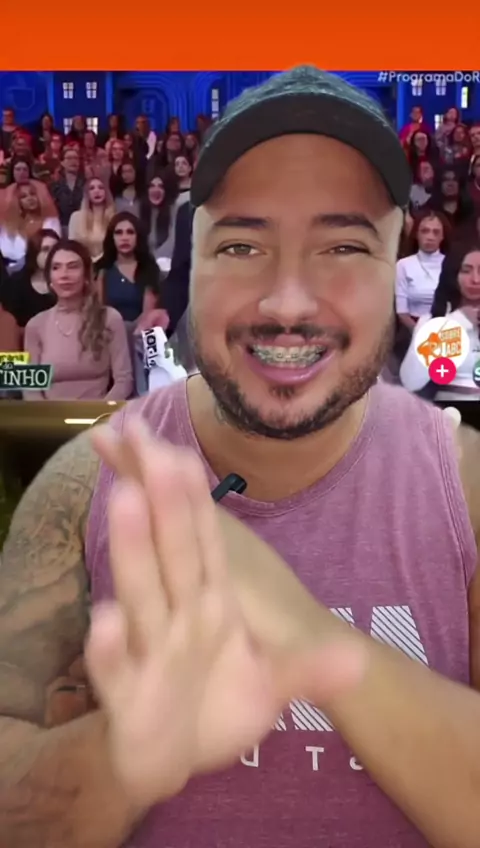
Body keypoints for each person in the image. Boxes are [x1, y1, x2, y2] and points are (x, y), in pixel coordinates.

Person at [2, 66, 480, 848]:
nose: (288, 301)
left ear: (392, 264)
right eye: (243, 245)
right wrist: (126, 755)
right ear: (193, 262)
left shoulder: (464, 481)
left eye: (342, 246)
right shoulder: (82, 483)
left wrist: (314, 645)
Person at [23, 238, 133, 401]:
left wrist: (99, 413)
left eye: (73, 266)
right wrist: (47, 416)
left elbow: (124, 381)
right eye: (56, 268)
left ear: (86, 275)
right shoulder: (35, 325)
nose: (64, 275)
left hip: (99, 413)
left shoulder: (109, 318)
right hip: (49, 415)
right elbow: (30, 389)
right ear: (49, 279)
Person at [399, 243, 480, 404]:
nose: (475, 279)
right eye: (466, 270)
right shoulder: (433, 322)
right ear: (453, 275)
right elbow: (411, 382)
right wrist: (457, 323)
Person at [395, 210, 448, 334]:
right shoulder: (403, 265)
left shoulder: (451, 263)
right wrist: (420, 333)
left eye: (436, 232)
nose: (430, 237)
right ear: (416, 234)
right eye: (425, 231)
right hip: (413, 329)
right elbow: (401, 311)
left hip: (446, 329)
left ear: (442, 236)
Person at [0, 228, 59, 330]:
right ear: (34, 252)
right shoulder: (16, 284)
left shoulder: (67, 282)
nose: (52, 255)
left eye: (56, 250)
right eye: (45, 249)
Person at [0, 180, 60, 268]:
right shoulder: (9, 225)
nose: (30, 198)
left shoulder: (51, 221)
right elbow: (5, 251)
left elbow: (52, 248)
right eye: (23, 196)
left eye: (33, 194)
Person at [68, 176, 115, 262]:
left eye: (101, 188)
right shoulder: (76, 217)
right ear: (87, 194)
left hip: (107, 263)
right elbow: (72, 246)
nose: (97, 191)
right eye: (91, 188)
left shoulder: (114, 218)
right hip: (84, 263)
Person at [139, 171, 180, 263]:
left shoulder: (175, 210)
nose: (156, 190)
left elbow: (173, 241)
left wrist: (154, 259)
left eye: (160, 186)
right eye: (152, 186)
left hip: (166, 261)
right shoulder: (140, 209)